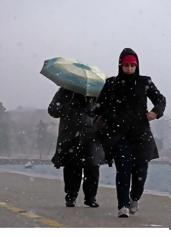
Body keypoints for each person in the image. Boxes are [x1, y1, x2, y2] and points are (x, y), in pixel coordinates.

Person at [95, 48, 166, 217]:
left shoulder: (145, 82)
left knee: (141, 171)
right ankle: (123, 205)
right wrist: (104, 118)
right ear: (120, 65)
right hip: (119, 135)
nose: (129, 69)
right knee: (123, 170)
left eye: (132, 65)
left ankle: (135, 197)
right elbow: (100, 106)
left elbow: (160, 99)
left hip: (141, 134)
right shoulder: (111, 84)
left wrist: (155, 112)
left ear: (137, 65)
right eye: (126, 65)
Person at [48, 88, 104, 208]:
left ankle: (90, 197)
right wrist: (66, 106)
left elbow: (104, 111)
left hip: (91, 134)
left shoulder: (97, 93)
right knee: (72, 166)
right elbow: (53, 111)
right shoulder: (65, 91)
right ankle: (71, 196)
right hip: (70, 134)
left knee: (92, 167)